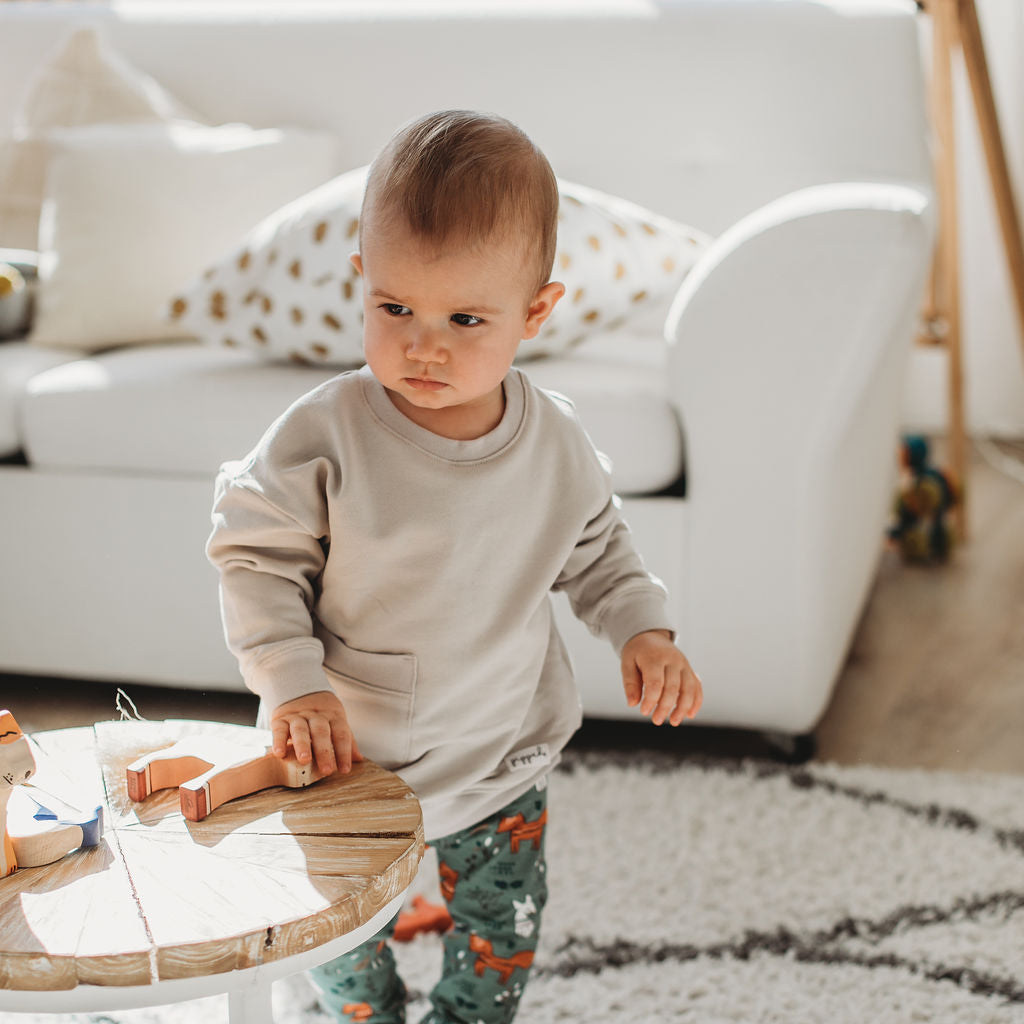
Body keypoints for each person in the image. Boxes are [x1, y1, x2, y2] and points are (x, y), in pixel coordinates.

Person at [206, 109, 703, 1024]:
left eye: (465, 319)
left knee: (501, 933)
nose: (423, 345)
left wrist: (643, 629)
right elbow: (255, 556)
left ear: (535, 313)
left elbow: (598, 548)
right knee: (336, 938)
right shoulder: (326, 433)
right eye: (394, 308)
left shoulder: (553, 443)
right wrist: (289, 681)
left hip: (499, 753)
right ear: (362, 280)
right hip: (346, 754)